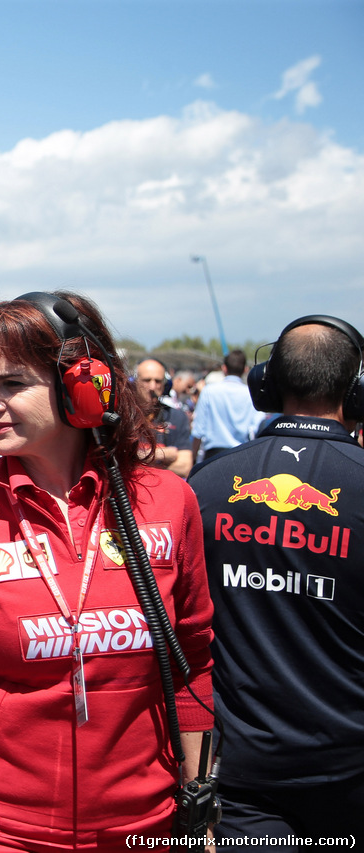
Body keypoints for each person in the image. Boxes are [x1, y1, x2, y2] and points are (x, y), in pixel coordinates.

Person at [0, 292, 214, 852]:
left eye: (12, 384)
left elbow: (193, 664)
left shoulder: (169, 502)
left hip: (144, 828)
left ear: (83, 386)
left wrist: (202, 813)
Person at [188, 315, 364, 843]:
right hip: (350, 768)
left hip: (241, 773)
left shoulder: (210, 483)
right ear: (355, 394)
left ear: (266, 386)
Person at [191, 350, 262, 462]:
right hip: (241, 455)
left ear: (224, 368)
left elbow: (198, 430)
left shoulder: (209, 391)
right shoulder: (251, 394)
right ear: (245, 369)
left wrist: (193, 458)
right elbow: (257, 427)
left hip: (212, 456)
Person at [135, 357, 193, 477]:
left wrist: (139, 458)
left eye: (158, 381)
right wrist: (165, 454)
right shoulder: (123, 416)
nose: (152, 386)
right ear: (134, 382)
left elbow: (185, 467)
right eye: (146, 380)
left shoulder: (177, 416)